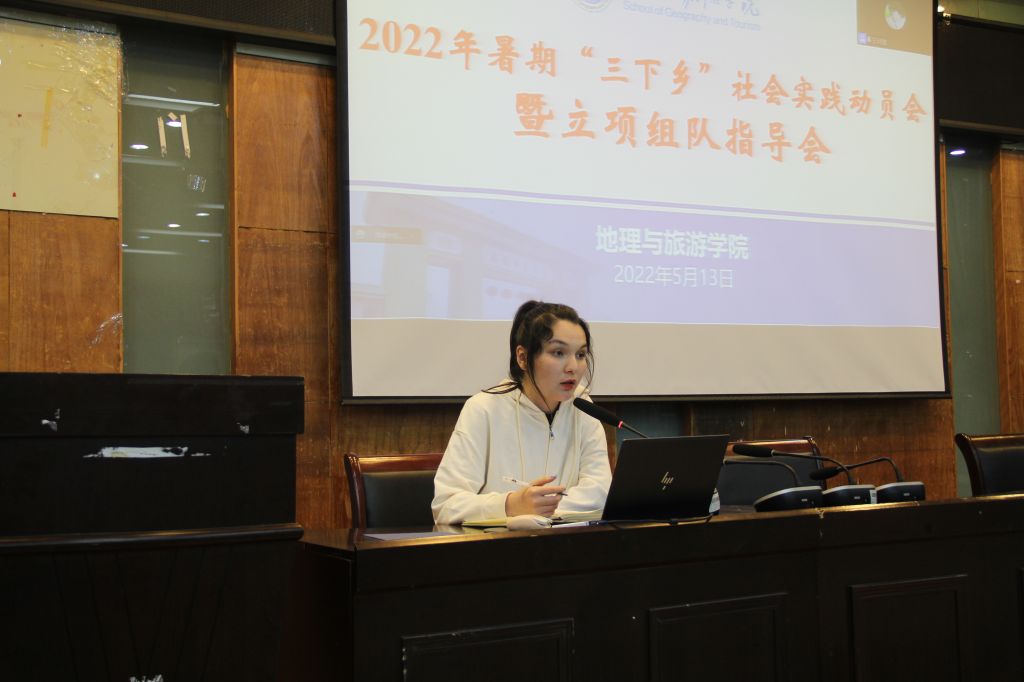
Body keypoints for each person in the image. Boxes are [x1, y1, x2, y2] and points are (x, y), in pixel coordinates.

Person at [432, 300, 612, 525]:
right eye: (558, 352)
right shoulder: (483, 409)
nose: (573, 367)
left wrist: (543, 507)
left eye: (581, 354)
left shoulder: (583, 406)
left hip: (568, 540)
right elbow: (446, 505)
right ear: (523, 358)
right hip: (499, 543)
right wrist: (510, 505)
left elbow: (601, 492)